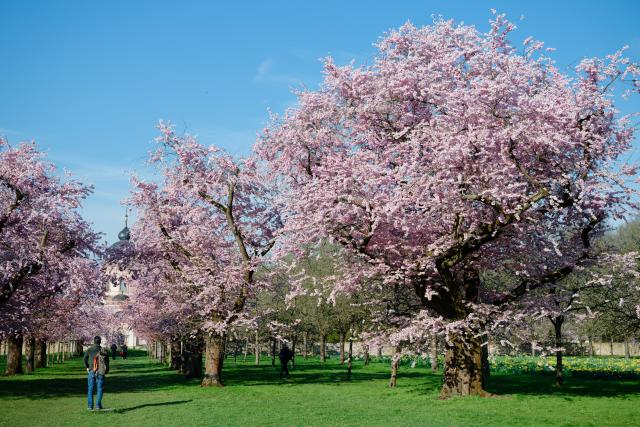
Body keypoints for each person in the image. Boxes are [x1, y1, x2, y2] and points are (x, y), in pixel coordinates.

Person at [83, 336, 109, 410]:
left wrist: (87, 367)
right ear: (100, 341)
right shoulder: (103, 350)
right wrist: (106, 370)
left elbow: (84, 359)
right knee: (100, 389)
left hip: (92, 370)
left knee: (90, 389)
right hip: (101, 371)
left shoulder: (90, 349)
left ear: (93, 341)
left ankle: (90, 406)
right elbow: (107, 361)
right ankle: (98, 405)